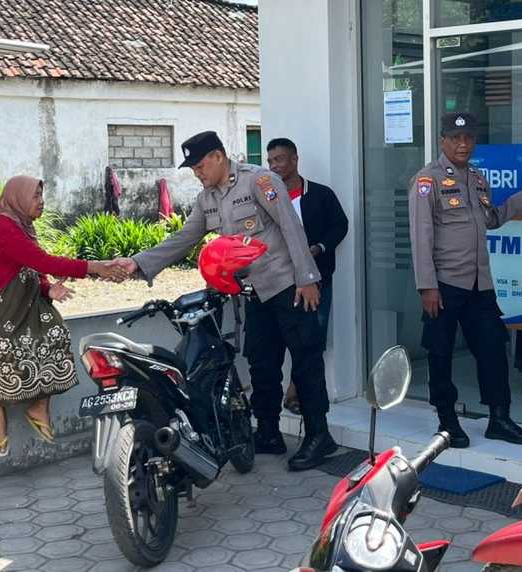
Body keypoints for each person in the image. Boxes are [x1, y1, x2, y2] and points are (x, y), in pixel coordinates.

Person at [115, 131, 336, 470]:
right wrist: (139, 263)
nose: (197, 173)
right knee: (262, 364)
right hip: (254, 292)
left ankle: (319, 436)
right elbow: (184, 237)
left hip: (288, 286)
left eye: (200, 166)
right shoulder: (207, 199)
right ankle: (268, 433)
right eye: (193, 169)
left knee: (306, 361)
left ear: (218, 157)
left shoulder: (259, 181)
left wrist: (307, 278)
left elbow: (291, 227)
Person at [0, 176, 128, 457]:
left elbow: (33, 269)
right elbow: (43, 262)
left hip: (18, 303)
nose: (41, 202)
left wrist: (48, 289)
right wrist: (96, 267)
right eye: (35, 196)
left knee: (56, 331)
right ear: (18, 198)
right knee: (7, 345)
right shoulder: (5, 230)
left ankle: (39, 406)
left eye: (41, 196)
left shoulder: (23, 228)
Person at [408, 112, 522, 448]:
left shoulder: (478, 179)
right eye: (455, 138)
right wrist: (427, 286)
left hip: (480, 284)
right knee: (440, 353)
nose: (463, 144)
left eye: (468, 138)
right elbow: (421, 236)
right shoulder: (427, 180)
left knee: (493, 348)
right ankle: (447, 420)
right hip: (444, 284)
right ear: (443, 141)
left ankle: (499, 418)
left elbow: (491, 219)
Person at [266, 137, 349, 414]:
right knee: (285, 338)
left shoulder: (320, 194)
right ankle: (292, 391)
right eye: (270, 161)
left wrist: (319, 248)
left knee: (314, 336)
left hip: (316, 279)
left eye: (279, 159)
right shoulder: (266, 198)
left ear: (294, 159)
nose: (274, 166)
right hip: (280, 281)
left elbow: (340, 225)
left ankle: (297, 391)